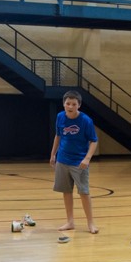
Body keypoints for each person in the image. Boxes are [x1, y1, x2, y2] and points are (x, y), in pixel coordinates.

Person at [49, 90, 99, 233]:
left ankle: (91, 223)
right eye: (68, 103)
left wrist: (87, 158)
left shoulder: (85, 120)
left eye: (73, 104)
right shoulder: (60, 117)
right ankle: (70, 221)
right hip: (62, 160)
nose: (70, 106)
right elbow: (58, 137)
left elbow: (94, 141)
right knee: (66, 191)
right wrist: (53, 154)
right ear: (64, 104)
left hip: (79, 162)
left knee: (84, 192)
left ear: (79, 105)